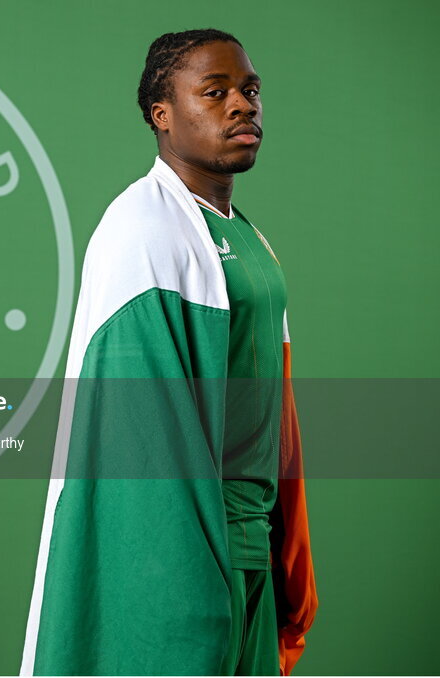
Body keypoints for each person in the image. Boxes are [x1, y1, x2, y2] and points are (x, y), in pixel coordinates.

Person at [20, 29, 318, 676]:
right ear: (162, 114)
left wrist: (285, 561)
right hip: (181, 566)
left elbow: (276, 409)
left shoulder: (245, 238)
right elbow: (142, 440)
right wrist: (185, 593)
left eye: (250, 90)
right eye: (214, 93)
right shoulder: (144, 228)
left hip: (249, 555)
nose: (242, 105)